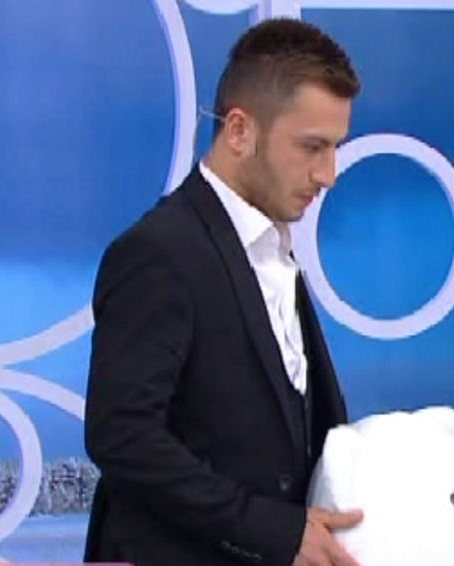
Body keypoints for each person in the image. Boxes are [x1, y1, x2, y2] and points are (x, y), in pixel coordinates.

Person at [83, 18, 364, 566]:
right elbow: (122, 436)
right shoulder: (157, 253)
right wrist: (272, 532)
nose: (329, 174)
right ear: (239, 131)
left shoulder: (273, 250)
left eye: (335, 148)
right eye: (312, 147)